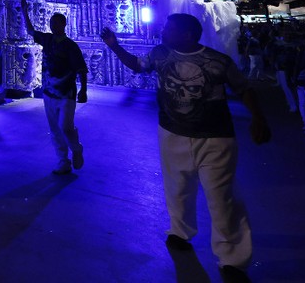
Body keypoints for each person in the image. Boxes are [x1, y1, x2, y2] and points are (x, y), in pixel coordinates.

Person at [100, 14, 270, 283]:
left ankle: (233, 259)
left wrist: (259, 118)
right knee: (176, 188)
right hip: (172, 133)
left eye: (170, 28)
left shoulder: (217, 61)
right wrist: (113, 44)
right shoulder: (160, 54)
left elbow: (244, 89)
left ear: (188, 34)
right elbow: (137, 65)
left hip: (215, 138)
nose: (163, 31)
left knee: (221, 198)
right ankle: (180, 232)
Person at [21, 2, 88, 175]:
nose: (53, 26)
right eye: (52, 24)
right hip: (49, 92)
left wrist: (84, 90)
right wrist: (24, 12)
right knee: (55, 129)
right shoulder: (47, 40)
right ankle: (63, 161)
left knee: (65, 126)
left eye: (57, 24)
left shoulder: (71, 46)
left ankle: (76, 148)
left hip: (67, 93)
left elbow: (81, 69)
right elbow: (31, 31)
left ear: (63, 25)